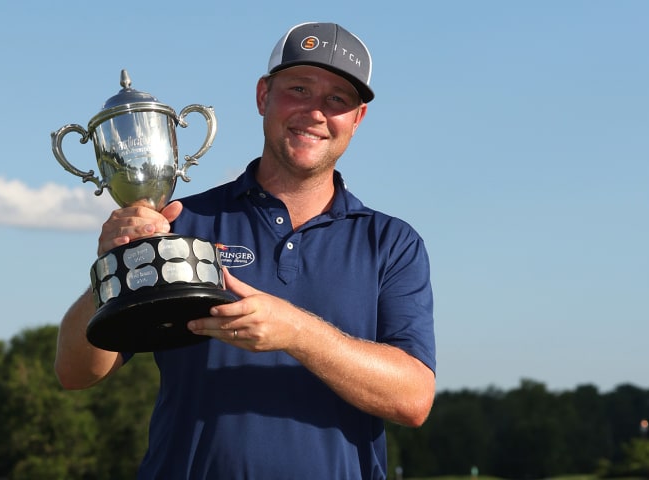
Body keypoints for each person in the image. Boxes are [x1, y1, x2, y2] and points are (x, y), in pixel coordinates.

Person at [55, 21, 436, 479]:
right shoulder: (179, 220)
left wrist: (295, 331)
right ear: (263, 97)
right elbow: (76, 371)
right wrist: (112, 266)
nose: (315, 112)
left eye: (338, 99)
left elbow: (412, 399)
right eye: (298, 89)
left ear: (357, 120)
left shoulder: (391, 243)